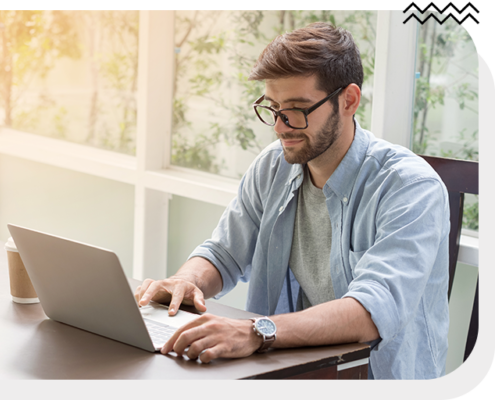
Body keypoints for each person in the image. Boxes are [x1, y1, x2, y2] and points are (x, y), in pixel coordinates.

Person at [134, 22, 450, 379]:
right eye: (273, 108)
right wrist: (186, 281)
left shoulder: (409, 186)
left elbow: (369, 312)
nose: (280, 126)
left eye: (297, 109)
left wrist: (257, 332)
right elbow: (224, 253)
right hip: (294, 370)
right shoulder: (274, 165)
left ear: (348, 101)